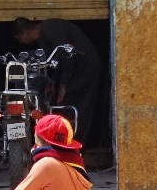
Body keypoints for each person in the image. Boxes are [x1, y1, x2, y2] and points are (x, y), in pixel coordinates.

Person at [12, 17, 102, 146]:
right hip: (75, 69)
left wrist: (63, 85)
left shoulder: (50, 29)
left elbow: (66, 58)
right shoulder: (43, 36)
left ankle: (75, 146)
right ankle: (65, 143)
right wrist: (54, 83)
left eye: (20, 39)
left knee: (76, 105)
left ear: (24, 33)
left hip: (84, 68)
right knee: (63, 103)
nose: (22, 42)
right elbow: (55, 62)